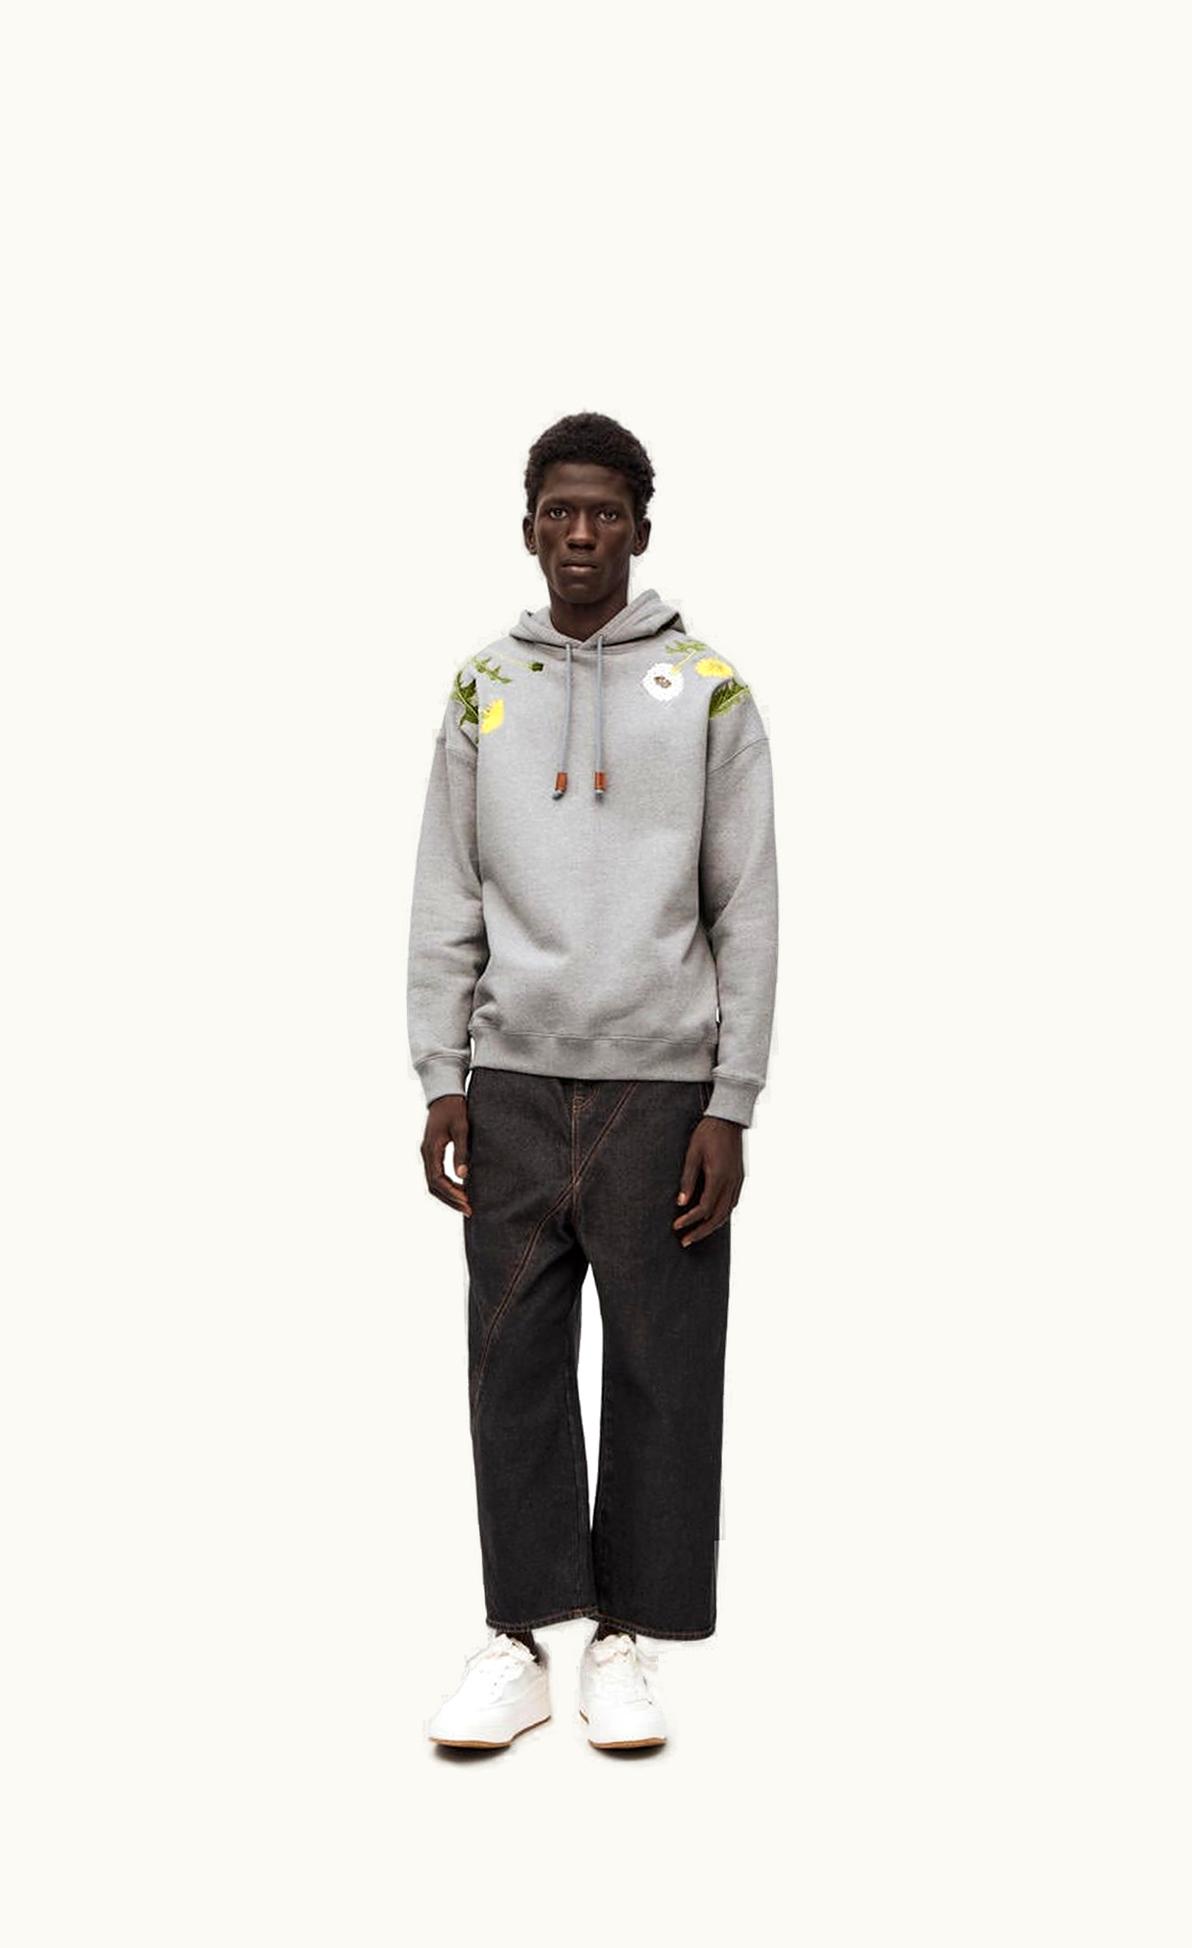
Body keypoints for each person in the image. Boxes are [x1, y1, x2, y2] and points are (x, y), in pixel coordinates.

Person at [406, 411, 779, 1750]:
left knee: (664, 1369)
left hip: (660, 1089)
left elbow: (747, 907)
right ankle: (518, 1636)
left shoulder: (712, 692)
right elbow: (448, 887)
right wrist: (439, 1073)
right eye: (559, 512)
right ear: (528, 529)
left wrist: (731, 1100)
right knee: (509, 1359)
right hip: (510, 1077)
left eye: (605, 513)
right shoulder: (481, 689)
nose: (581, 534)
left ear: (641, 530)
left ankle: (627, 1637)